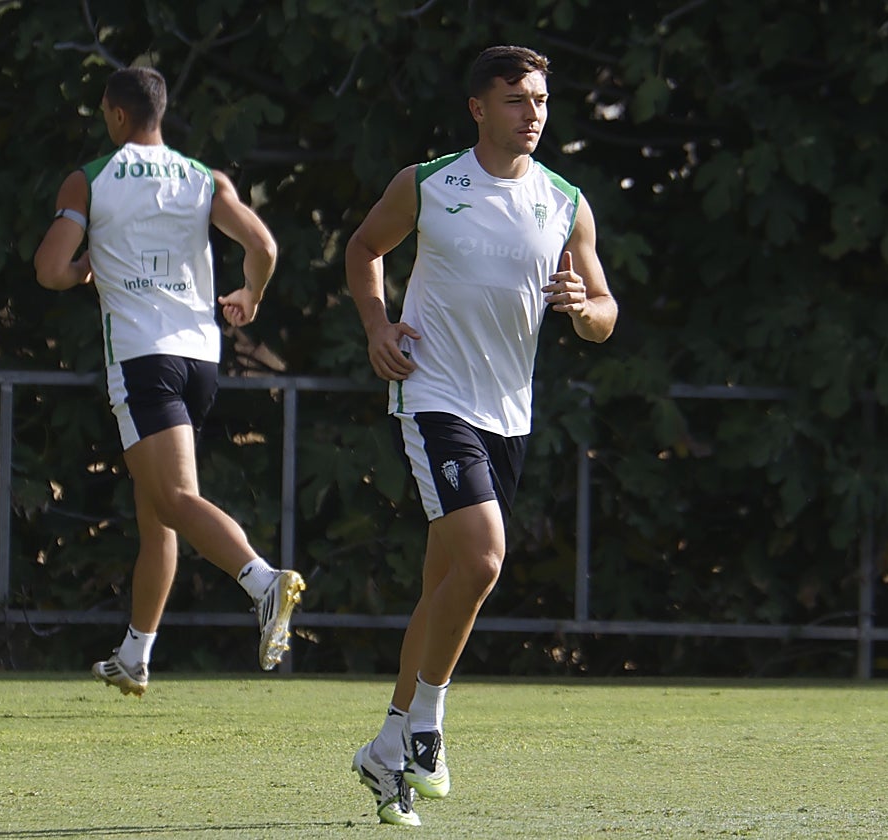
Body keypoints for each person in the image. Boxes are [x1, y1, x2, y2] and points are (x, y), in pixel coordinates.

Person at [344, 45, 618, 826]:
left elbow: (604, 315)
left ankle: (387, 746)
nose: (532, 113)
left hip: (510, 413)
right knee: (486, 557)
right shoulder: (429, 184)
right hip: (434, 396)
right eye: (514, 100)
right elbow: (365, 250)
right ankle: (427, 724)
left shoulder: (565, 201)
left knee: (446, 585)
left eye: (538, 100)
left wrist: (581, 306)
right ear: (478, 108)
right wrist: (377, 324)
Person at [33, 66, 305, 696]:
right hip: (200, 358)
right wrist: (251, 295)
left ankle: (263, 584)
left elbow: (50, 268)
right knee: (157, 507)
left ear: (117, 114)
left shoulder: (92, 178)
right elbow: (262, 246)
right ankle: (136, 653)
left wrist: (83, 272)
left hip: (141, 358)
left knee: (176, 498)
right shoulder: (202, 177)